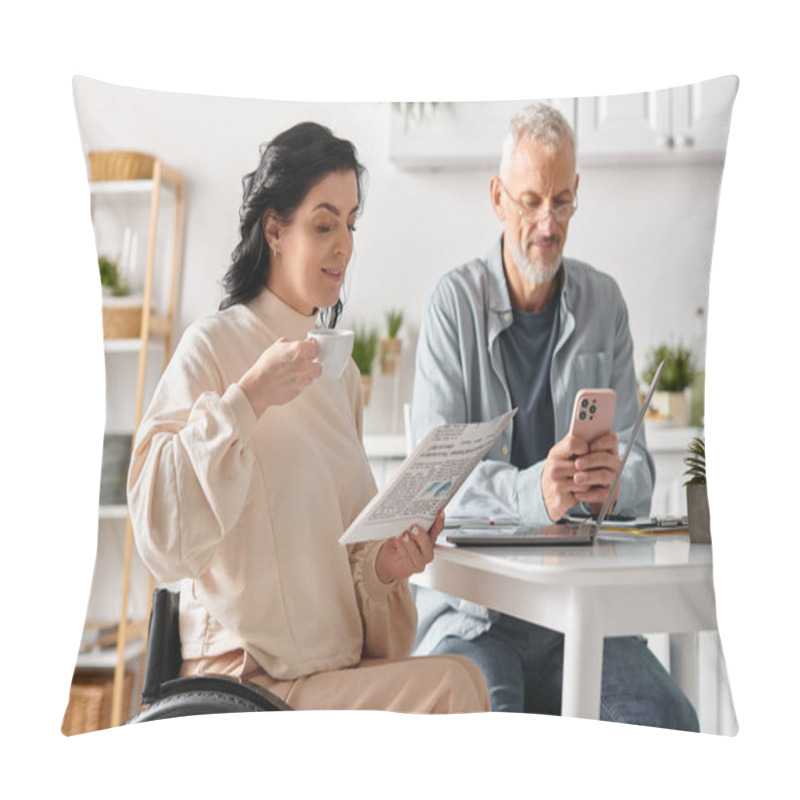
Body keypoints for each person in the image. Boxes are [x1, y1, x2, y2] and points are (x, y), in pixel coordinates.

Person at [127, 121, 490, 714]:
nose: (344, 245)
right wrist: (249, 399)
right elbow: (158, 534)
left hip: (324, 673)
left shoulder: (338, 374)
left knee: (462, 677)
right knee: (454, 687)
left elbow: (343, 546)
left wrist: (385, 565)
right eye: (324, 224)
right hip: (243, 678)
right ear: (275, 228)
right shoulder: (211, 348)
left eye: (350, 224)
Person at [410, 103, 699, 730]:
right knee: (495, 740)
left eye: (562, 202)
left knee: (668, 720)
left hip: (580, 612)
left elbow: (642, 468)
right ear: (496, 197)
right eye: (531, 201)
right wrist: (532, 490)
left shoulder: (605, 302)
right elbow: (430, 486)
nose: (548, 222)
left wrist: (615, 482)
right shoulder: (450, 306)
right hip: (473, 619)